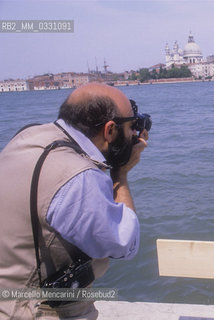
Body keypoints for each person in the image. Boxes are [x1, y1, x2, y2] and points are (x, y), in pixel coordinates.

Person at [0, 83, 149, 319]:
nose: (133, 135)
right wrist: (120, 174)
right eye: (131, 127)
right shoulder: (77, 176)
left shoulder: (27, 137)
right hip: (35, 310)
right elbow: (124, 244)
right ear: (110, 130)